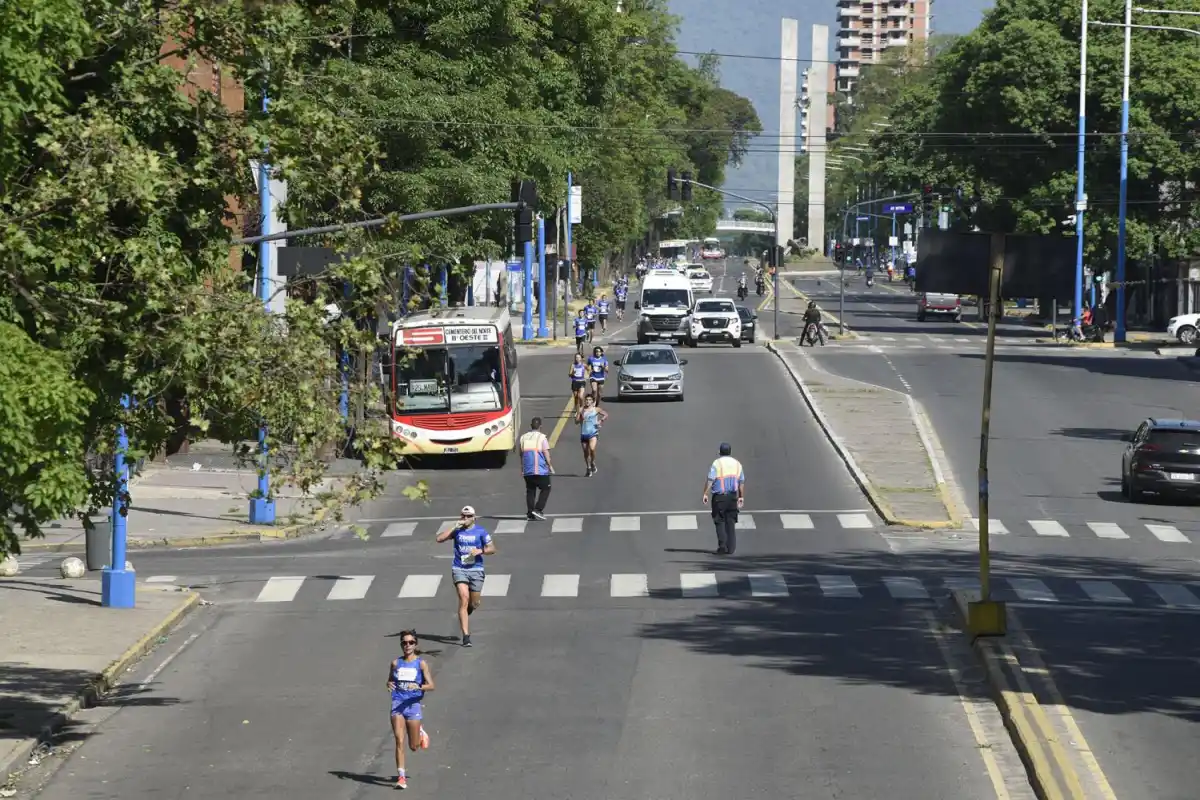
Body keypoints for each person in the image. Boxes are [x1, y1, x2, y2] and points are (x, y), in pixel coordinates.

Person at [434, 506, 496, 647]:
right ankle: (466, 636)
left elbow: (492, 548)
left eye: (468, 516)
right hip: (459, 568)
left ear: (474, 517)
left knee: (474, 603)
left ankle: (471, 607)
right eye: (463, 516)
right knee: (463, 598)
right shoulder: (457, 530)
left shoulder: (481, 531)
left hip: (476, 570)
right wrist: (454, 526)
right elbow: (439, 539)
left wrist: (480, 551)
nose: (465, 519)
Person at [387, 630, 435, 790]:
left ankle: (420, 731)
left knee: (413, 746)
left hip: (413, 705)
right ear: (401, 644)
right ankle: (401, 778)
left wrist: (419, 686)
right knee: (398, 740)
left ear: (415, 644)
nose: (407, 645)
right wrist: (389, 685)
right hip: (398, 704)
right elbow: (390, 681)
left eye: (410, 642)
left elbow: (432, 685)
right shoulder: (395, 663)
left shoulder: (421, 663)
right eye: (404, 643)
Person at [701, 442, 745, 555]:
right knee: (730, 521)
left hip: (719, 497)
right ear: (730, 452)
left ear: (720, 452)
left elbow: (710, 480)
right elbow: (741, 482)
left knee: (719, 520)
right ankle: (731, 547)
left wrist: (705, 493)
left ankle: (722, 546)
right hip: (732, 497)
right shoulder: (737, 464)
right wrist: (741, 496)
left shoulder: (717, 463)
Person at [519, 417, 554, 521]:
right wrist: (550, 465)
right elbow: (546, 453)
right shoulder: (542, 438)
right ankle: (538, 509)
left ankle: (530, 513)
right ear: (540, 426)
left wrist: (522, 468)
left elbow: (521, 454)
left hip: (527, 470)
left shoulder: (523, 437)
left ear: (531, 426)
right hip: (539, 469)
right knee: (546, 488)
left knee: (530, 490)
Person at [576, 395, 608, 476]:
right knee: (586, 453)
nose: (587, 401)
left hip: (593, 433)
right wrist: (578, 414)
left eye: (589, 400)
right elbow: (576, 422)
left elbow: (605, 414)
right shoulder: (582, 409)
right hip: (584, 434)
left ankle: (592, 462)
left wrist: (600, 421)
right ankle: (588, 468)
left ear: (592, 401)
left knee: (592, 448)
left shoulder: (596, 409)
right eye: (586, 400)